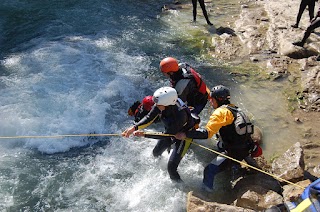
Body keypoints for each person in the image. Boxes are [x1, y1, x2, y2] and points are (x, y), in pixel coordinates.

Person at [175, 85, 262, 192]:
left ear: (218, 99)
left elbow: (207, 133)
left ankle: (206, 194)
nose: (210, 102)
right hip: (247, 146)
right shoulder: (235, 108)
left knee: (208, 170)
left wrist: (185, 135)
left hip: (233, 152)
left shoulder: (220, 113)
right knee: (219, 145)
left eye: (212, 99)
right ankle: (235, 165)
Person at [122, 87, 195, 182]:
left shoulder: (180, 115)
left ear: (168, 103)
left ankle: (181, 186)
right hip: (170, 131)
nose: (155, 106)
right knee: (156, 153)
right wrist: (134, 128)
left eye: (158, 104)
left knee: (171, 167)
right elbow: (149, 117)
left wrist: (145, 134)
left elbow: (166, 135)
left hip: (184, 137)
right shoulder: (162, 104)